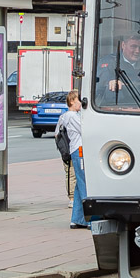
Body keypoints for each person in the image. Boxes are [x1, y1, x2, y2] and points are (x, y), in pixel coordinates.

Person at [95, 33, 140, 105]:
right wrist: (110, 82)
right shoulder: (108, 62)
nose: (137, 51)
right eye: (133, 46)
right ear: (123, 45)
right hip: (115, 106)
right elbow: (99, 87)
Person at [55, 91, 87, 228]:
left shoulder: (68, 116)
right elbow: (84, 130)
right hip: (79, 150)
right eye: (79, 100)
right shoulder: (72, 116)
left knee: (79, 185)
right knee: (84, 183)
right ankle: (88, 217)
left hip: (76, 150)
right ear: (72, 101)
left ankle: (77, 219)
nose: (82, 103)